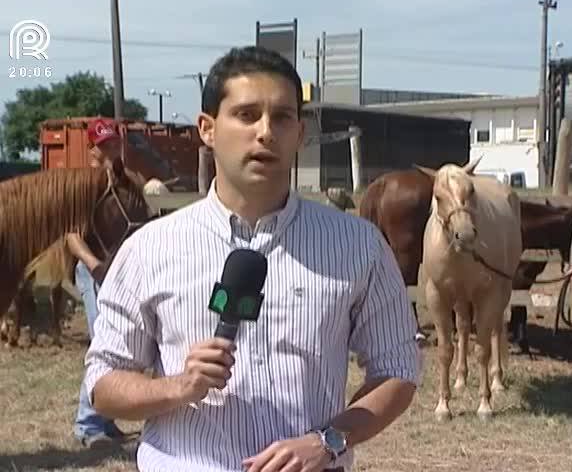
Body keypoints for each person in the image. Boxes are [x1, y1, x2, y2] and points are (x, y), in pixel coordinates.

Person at [84, 46, 420, 472]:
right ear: (207, 128)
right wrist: (178, 387)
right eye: (246, 115)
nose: (265, 132)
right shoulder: (148, 250)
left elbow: (398, 371)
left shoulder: (359, 246)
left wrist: (329, 440)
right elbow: (103, 384)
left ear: (299, 133)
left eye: (282, 117)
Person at [68, 118, 126, 448]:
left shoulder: (121, 180)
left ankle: (105, 417)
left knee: (115, 343)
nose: (112, 148)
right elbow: (72, 235)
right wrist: (94, 265)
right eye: (105, 144)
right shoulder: (85, 185)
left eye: (115, 142)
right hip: (95, 272)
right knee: (103, 343)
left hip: (116, 270)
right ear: (92, 149)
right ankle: (88, 425)